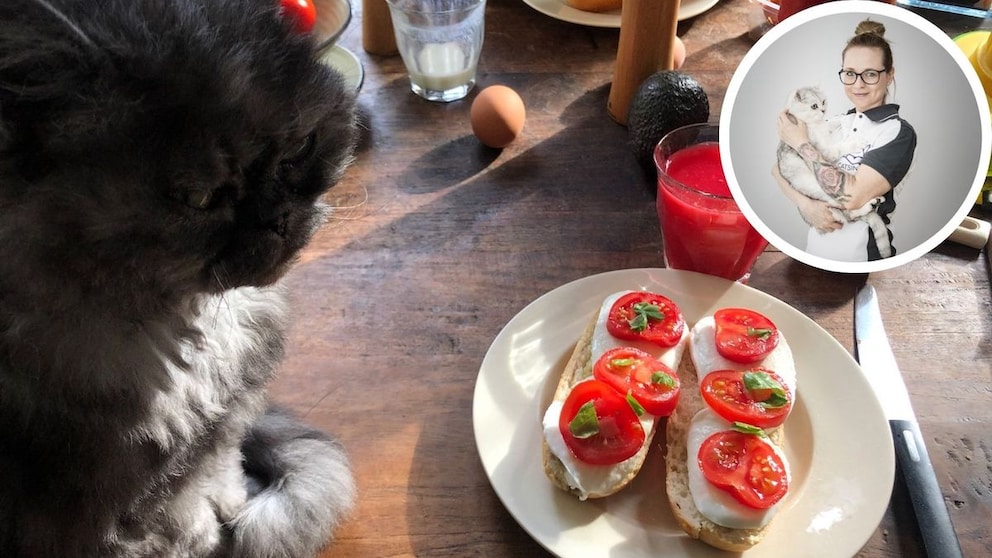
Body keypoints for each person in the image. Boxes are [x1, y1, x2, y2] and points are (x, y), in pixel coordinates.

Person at [774, 19, 917, 262]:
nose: (858, 84)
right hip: (814, 252)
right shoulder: (837, 122)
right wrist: (807, 207)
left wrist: (801, 143)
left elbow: (852, 197)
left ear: (889, 75)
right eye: (850, 73)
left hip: (864, 261)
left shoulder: (897, 132)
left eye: (870, 74)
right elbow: (778, 170)